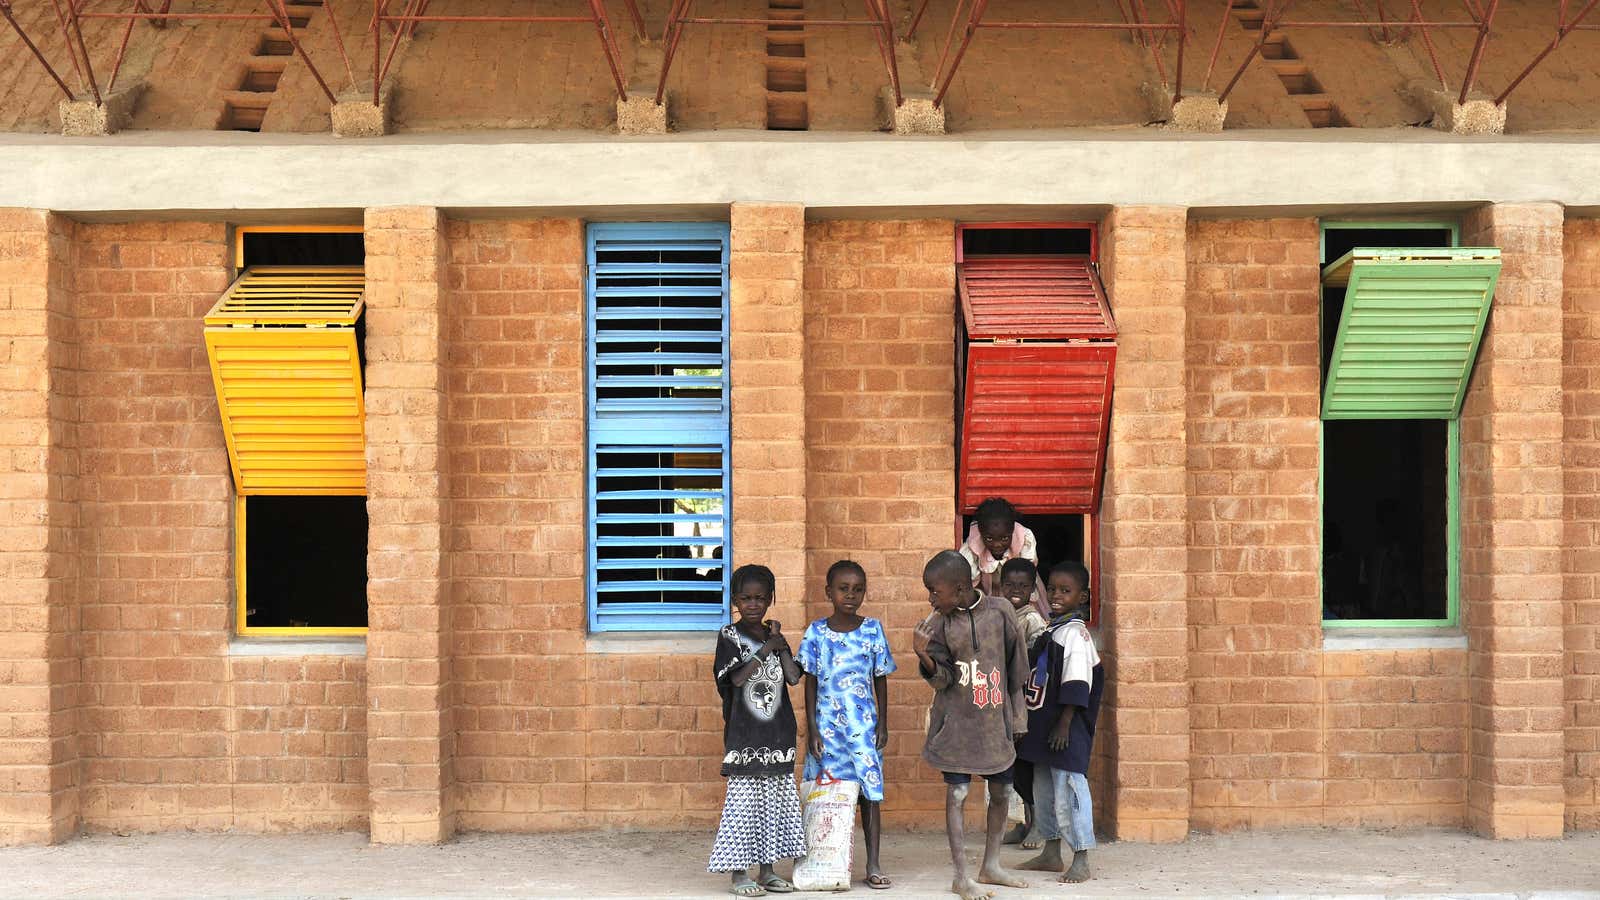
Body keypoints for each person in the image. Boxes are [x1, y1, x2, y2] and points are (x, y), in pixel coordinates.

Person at [914, 550, 1032, 900]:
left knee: (1001, 793)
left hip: (995, 724)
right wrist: (924, 656)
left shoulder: (1001, 612)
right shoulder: (937, 624)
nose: (931, 598)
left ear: (962, 587)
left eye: (935, 591)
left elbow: (1016, 672)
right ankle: (961, 876)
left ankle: (991, 865)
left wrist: (1019, 717)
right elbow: (942, 680)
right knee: (958, 794)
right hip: (957, 727)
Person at [797, 559, 897, 890]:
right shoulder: (816, 632)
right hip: (826, 731)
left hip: (863, 729)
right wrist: (811, 729)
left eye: (857, 590)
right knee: (823, 795)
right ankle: (820, 862)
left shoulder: (872, 630)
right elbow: (809, 681)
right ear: (829, 592)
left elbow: (880, 677)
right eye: (843, 589)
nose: (850, 596)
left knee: (870, 795)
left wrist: (883, 723)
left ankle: (873, 863)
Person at [709, 564, 806, 897]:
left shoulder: (774, 637)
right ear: (735, 599)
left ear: (770, 600)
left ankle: (767, 872)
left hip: (778, 735)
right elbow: (735, 679)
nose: (753, 604)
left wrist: (778, 645)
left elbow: (793, 677)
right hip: (745, 736)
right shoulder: (729, 636)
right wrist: (764, 651)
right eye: (746, 598)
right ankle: (739, 874)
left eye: (760, 598)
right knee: (743, 808)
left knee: (773, 807)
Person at [1016, 561, 1104, 884]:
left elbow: (1078, 682)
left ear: (1082, 597)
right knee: (1044, 791)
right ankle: (1051, 851)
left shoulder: (1077, 635)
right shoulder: (1054, 629)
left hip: (1065, 729)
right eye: (1052, 589)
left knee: (1069, 788)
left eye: (1065, 591)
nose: (1055, 595)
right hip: (1043, 728)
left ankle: (1080, 856)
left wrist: (1065, 723)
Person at [996, 558, 1047, 851]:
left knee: (1026, 767)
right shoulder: (1001, 615)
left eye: (1023, 586)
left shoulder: (1032, 620)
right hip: (1003, 702)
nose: (1016, 590)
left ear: (1032, 590)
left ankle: (1037, 823)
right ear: (1001, 587)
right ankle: (1024, 823)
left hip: (1025, 703)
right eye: (1010, 585)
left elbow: (1034, 659)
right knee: (1011, 767)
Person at [959, 496, 1047, 618]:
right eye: (989, 538)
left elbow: (1028, 571)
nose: (997, 544)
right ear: (981, 533)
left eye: (1004, 538)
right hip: (988, 591)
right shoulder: (973, 546)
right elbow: (969, 580)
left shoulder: (1023, 539)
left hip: (1020, 589)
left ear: (1012, 531)